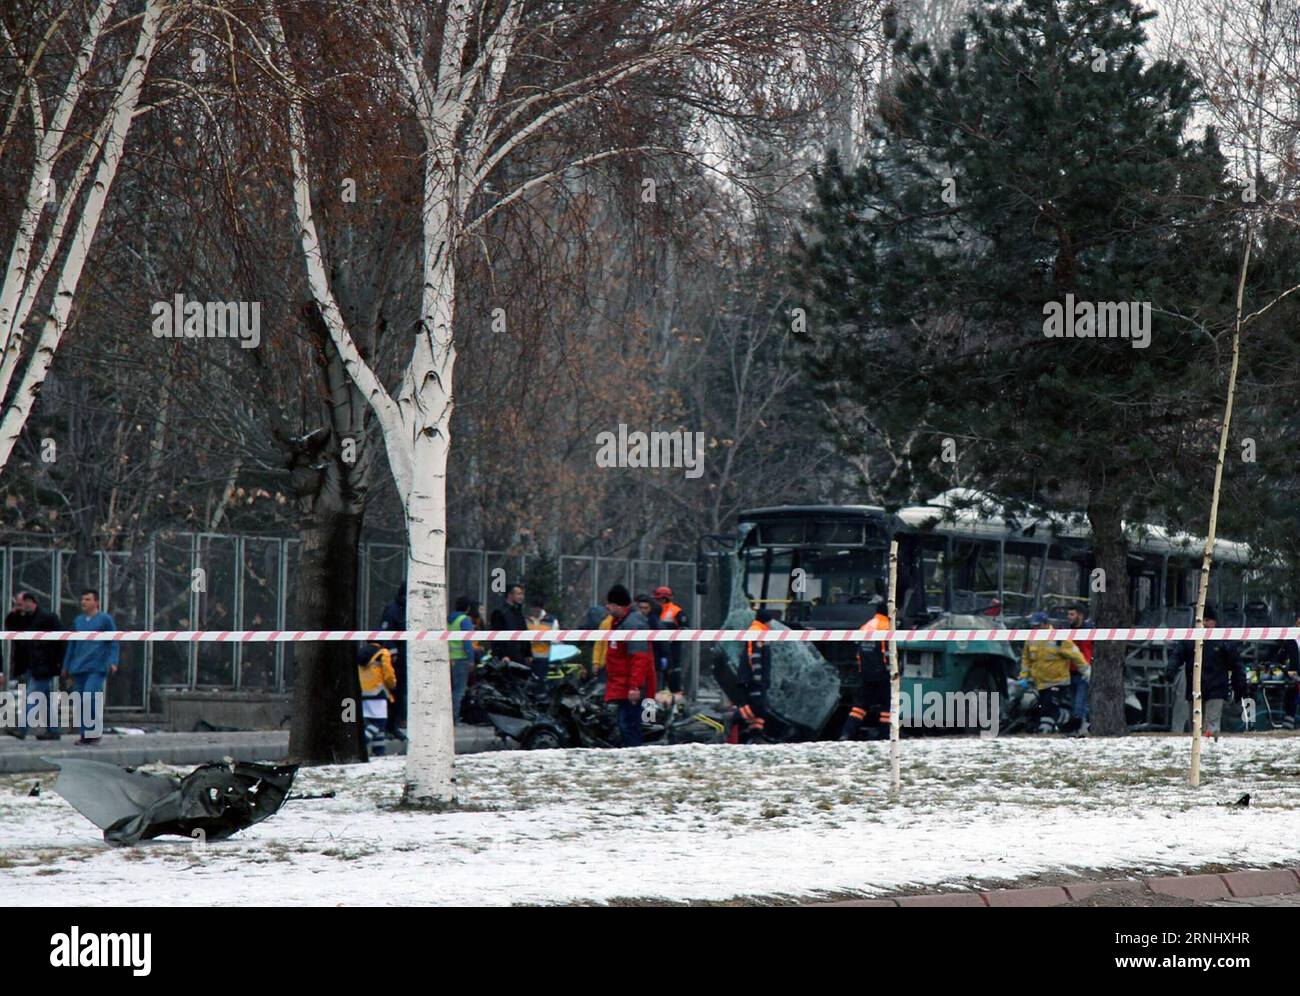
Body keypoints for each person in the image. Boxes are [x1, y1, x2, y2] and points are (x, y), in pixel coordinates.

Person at [1165, 606, 1247, 738]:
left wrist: (1240, 687)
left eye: (1208, 620)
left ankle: (1211, 753)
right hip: (1194, 691)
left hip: (1216, 691)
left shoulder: (1223, 641)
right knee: (1195, 730)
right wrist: (1170, 671)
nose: (1204, 623)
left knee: (1211, 729)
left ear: (1214, 622)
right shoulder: (1190, 639)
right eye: (1201, 620)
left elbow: (1236, 665)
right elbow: (1177, 656)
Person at [61, 590, 118, 745]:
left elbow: (113, 641)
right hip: (79, 667)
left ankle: (93, 732)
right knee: (79, 701)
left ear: (96, 602)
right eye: (82, 599)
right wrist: (66, 665)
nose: (83, 602)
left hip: (96, 667)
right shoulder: (78, 621)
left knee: (90, 697)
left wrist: (113, 661)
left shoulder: (105, 620)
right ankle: (85, 734)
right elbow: (72, 644)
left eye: (87, 599)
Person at [5, 593, 65, 739]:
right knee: (44, 699)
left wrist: (59, 663)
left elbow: (61, 641)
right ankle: (53, 731)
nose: (20, 607)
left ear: (30, 602)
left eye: (21, 603)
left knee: (32, 697)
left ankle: (22, 729)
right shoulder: (25, 618)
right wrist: (15, 613)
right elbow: (11, 628)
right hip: (33, 665)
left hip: (44, 665)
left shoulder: (48, 618)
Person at [602, 585, 655, 747]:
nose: (607, 607)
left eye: (610, 604)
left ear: (619, 605)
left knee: (630, 725)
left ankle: (636, 755)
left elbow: (639, 659)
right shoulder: (620, 622)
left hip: (632, 687)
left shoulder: (631, 624)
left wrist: (635, 687)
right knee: (628, 724)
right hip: (624, 685)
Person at [1018, 611, 1086, 733]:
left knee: (1050, 707)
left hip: (1057, 682)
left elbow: (1076, 655)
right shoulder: (1031, 639)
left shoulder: (1058, 638)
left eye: (1037, 626)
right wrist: (1023, 676)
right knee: (1044, 708)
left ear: (1045, 624)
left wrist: (1086, 671)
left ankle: (1046, 730)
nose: (1035, 628)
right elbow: (1026, 658)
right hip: (1040, 683)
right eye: (1033, 626)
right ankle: (1064, 724)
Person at [840, 599, 891, 741]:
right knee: (888, 706)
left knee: (860, 706)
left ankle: (846, 733)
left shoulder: (866, 626)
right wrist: (891, 669)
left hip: (866, 673)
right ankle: (885, 735)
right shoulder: (886, 627)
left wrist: (862, 669)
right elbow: (887, 652)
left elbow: (859, 652)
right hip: (882, 673)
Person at [732, 609, 776, 742]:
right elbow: (754, 655)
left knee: (760, 708)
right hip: (754, 678)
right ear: (765, 620)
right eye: (770, 621)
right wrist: (757, 676)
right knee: (758, 706)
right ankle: (734, 717)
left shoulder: (762, 631)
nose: (772, 624)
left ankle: (756, 735)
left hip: (759, 677)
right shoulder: (757, 631)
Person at [356, 641, 397, 755]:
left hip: (364, 692)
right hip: (378, 692)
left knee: (375, 725)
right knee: (379, 723)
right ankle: (360, 743)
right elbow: (388, 674)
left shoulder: (361, 653)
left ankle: (379, 751)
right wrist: (393, 684)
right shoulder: (383, 653)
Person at [379, 583, 407, 740]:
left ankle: (394, 723)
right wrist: (393, 650)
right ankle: (391, 725)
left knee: (401, 692)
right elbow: (385, 634)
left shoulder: (409, 609)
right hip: (396, 660)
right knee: (395, 692)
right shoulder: (393, 610)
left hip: (406, 659)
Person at [1064, 605, 1094, 735]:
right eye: (1069, 614)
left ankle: (1079, 729)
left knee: (1079, 704)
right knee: (1075, 703)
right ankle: (1083, 728)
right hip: (1070, 671)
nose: (1069, 617)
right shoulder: (1066, 631)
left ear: (1080, 615)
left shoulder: (1090, 631)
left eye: (1072, 614)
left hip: (1084, 671)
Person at [653, 586, 687, 698]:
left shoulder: (676, 611)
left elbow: (684, 629)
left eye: (660, 599)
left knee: (673, 672)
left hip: (672, 648)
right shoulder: (654, 611)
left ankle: (676, 697)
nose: (657, 601)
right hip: (658, 648)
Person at [448, 596, 476, 723]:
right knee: (459, 690)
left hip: (449, 658)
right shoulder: (464, 620)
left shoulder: (449, 619)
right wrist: (471, 659)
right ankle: (455, 717)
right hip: (461, 659)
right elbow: (467, 641)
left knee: (451, 689)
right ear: (468, 608)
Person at [489, 583, 530, 666]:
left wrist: (528, 653)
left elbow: (524, 633)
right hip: (506, 657)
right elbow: (496, 636)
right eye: (518, 594)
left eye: (522, 594)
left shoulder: (518, 613)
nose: (521, 597)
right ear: (509, 595)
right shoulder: (500, 612)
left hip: (520, 656)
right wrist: (502, 655)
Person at [526, 599, 551, 683]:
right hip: (528, 657)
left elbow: (556, 639)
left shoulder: (550, 621)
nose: (535, 610)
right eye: (534, 608)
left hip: (542, 658)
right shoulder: (525, 620)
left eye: (537, 608)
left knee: (540, 682)